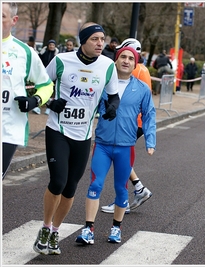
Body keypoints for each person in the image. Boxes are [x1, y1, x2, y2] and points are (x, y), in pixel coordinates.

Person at [32, 22, 120, 255]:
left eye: (102, 39)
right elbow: (42, 85)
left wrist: (112, 108)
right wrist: (51, 102)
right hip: (58, 131)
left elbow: (114, 97)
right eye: (94, 39)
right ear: (83, 41)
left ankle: (55, 231)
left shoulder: (108, 66)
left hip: (83, 135)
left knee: (70, 188)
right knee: (58, 182)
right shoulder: (62, 60)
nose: (100, 43)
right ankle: (44, 227)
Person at [76, 46, 156, 245]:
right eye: (123, 57)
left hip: (125, 146)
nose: (126, 61)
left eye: (131, 58)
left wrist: (150, 141)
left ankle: (116, 228)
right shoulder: (103, 84)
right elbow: (87, 105)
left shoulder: (142, 89)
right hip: (102, 144)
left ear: (135, 64)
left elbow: (149, 115)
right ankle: (88, 229)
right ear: (116, 60)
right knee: (95, 185)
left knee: (121, 188)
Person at [101, 38, 154, 214]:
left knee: (120, 158)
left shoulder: (137, 71)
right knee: (120, 158)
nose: (125, 59)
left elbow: (141, 100)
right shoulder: (142, 68)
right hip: (131, 120)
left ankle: (122, 201)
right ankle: (138, 189)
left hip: (131, 121)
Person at [2, 2, 53, 180]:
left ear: (13, 20)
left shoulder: (24, 52)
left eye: (2, 16)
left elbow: (46, 84)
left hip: (7, 129)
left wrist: (35, 100)